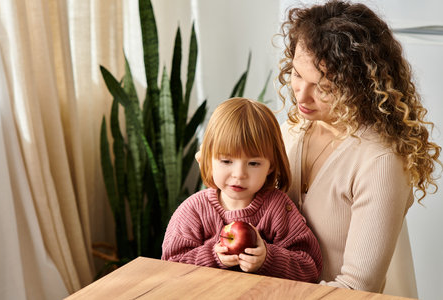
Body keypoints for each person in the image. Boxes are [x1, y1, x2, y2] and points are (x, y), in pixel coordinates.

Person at [277, 0, 441, 294]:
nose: (301, 96)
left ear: (359, 86)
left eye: (323, 87)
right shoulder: (292, 130)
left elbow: (356, 288)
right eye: (297, 74)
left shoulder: (379, 161)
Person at [161, 97, 322, 282]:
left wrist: (268, 258)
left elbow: (310, 267)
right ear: (209, 159)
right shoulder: (194, 211)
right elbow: (170, 267)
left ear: (270, 166)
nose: (239, 174)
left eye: (253, 163)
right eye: (226, 161)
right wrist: (214, 256)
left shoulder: (278, 208)